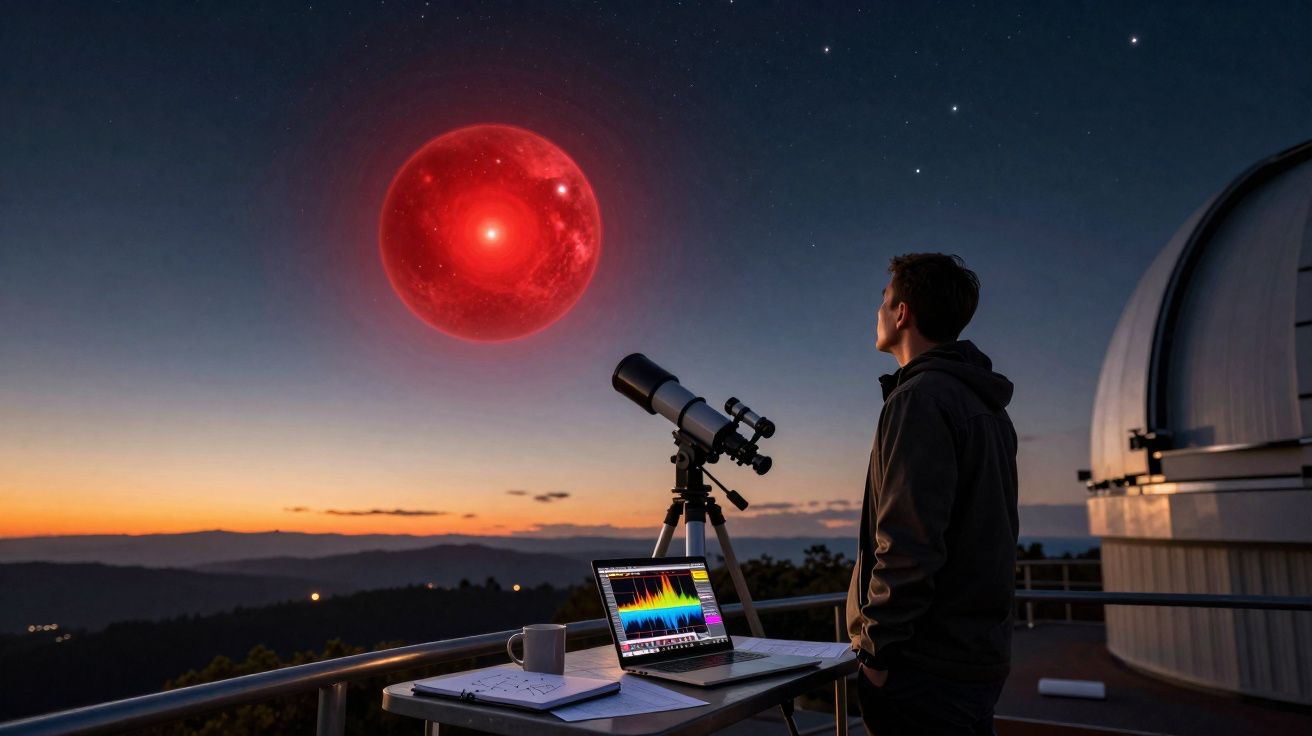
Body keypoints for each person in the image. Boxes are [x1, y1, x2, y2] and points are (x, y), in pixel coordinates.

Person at [847, 252, 1019, 735]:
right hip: (973, 656)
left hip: (923, 667)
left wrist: (877, 655)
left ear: (902, 313)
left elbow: (908, 542)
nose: (878, 312)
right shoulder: (984, 404)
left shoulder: (919, 399)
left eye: (884, 301)